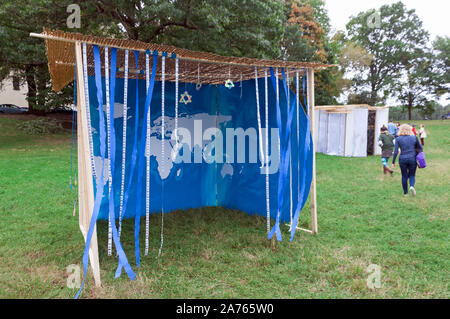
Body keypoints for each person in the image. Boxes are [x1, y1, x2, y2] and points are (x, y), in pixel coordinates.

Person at [392, 124, 423, 196]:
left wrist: (393, 161)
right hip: (412, 158)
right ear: (410, 130)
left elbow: (396, 151)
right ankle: (412, 186)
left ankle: (405, 193)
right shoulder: (414, 138)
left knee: (404, 176)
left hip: (402, 158)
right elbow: (420, 148)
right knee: (412, 175)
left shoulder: (398, 139)